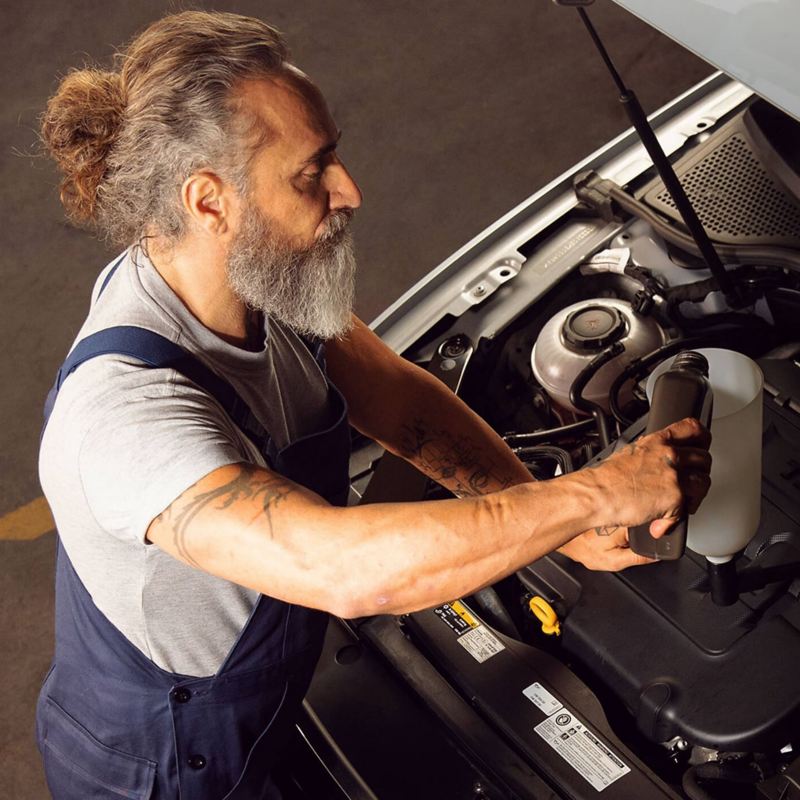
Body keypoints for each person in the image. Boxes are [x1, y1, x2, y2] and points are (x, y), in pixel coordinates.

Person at [36, 10, 711, 800]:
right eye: (310, 173)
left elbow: (395, 399)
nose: (349, 190)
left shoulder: (252, 282)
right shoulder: (125, 418)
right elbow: (341, 569)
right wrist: (591, 493)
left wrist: (562, 529)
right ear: (209, 201)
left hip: (267, 706)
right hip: (166, 768)